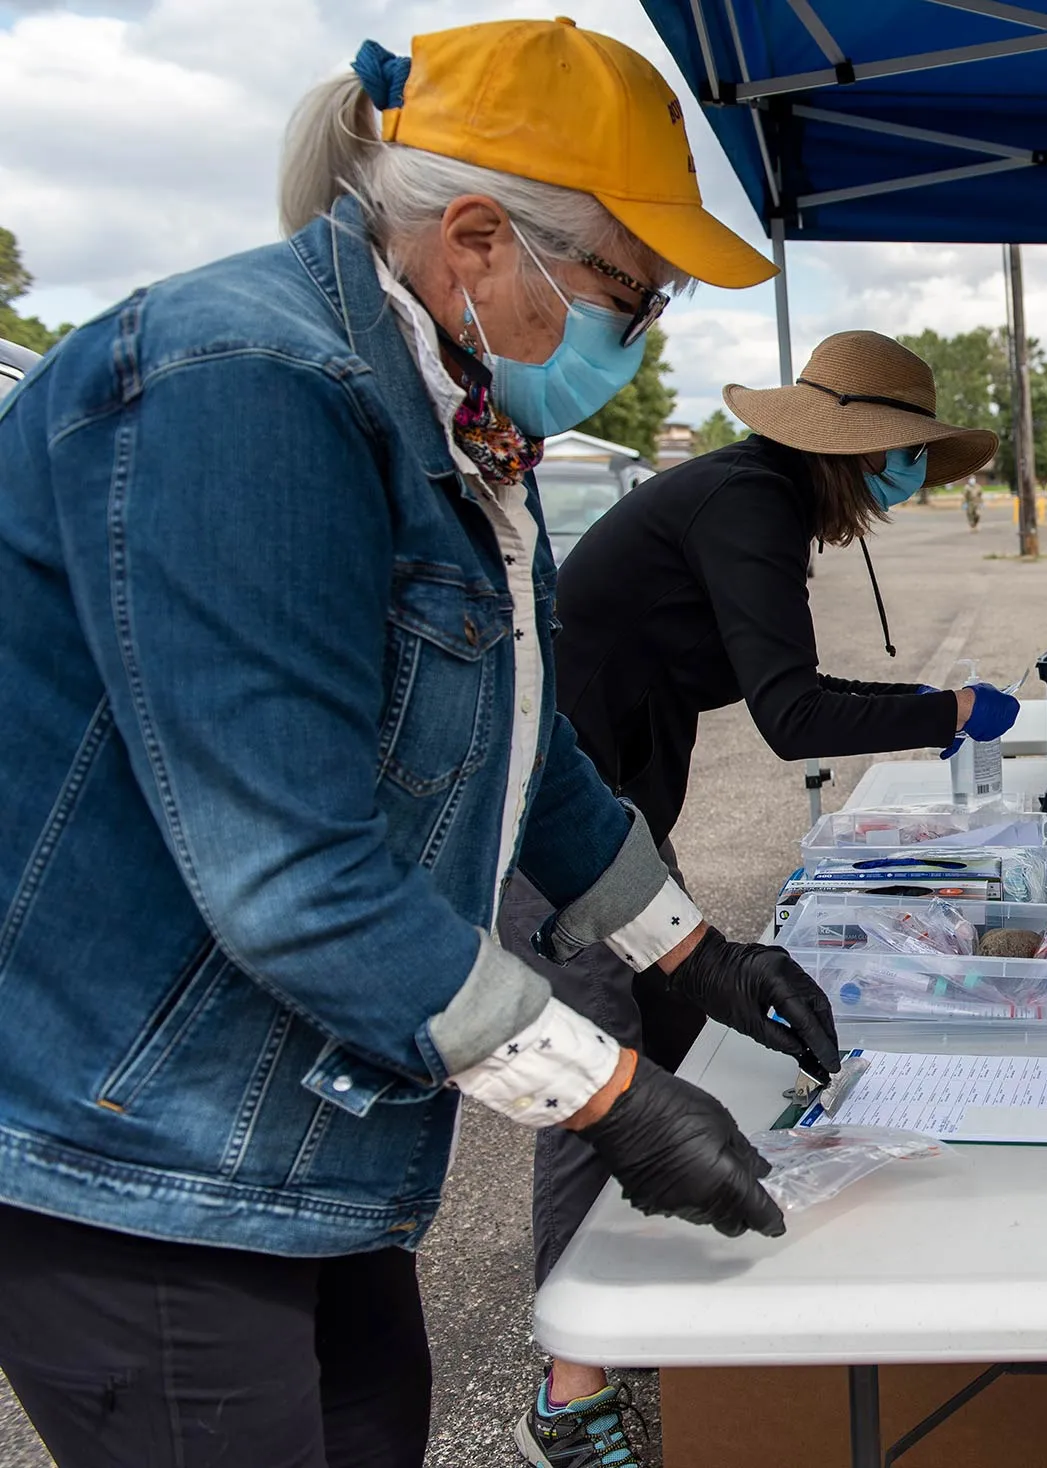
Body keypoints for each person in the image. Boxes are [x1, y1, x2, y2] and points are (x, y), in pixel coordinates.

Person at [0, 22, 844, 1466]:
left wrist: (698, 954)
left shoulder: (454, 428)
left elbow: (532, 759)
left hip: (310, 1137)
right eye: (630, 300)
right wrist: (615, 1093)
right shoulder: (249, 385)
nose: (639, 341)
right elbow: (295, 874)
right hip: (153, 1164)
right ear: (474, 241)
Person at [504, 328, 1009, 1456]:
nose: (908, 478)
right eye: (904, 453)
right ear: (854, 445)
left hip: (614, 814)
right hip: (555, 827)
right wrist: (950, 709)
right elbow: (794, 713)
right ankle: (567, 1388)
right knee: (597, 1065)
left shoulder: (751, 500)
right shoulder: (746, 505)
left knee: (676, 1033)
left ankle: (646, 1290)